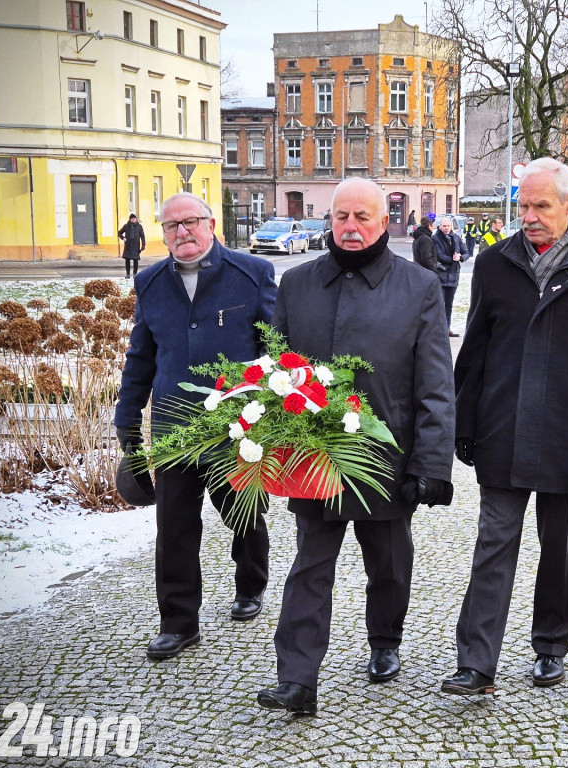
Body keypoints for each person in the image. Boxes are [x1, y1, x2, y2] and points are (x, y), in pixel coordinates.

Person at [258, 178, 455, 715]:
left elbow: (436, 383)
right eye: (341, 216)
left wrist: (431, 463)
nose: (350, 227)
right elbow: (276, 371)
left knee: (389, 564)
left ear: (383, 221)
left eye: (362, 217)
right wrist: (271, 441)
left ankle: (385, 639)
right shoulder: (296, 285)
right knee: (309, 565)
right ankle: (297, 678)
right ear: (330, 220)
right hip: (315, 458)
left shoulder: (417, 287)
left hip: (385, 458)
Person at [441, 157, 568, 696]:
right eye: (522, 205)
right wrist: (465, 418)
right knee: (493, 544)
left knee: (562, 549)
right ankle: (476, 661)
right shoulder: (495, 262)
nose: (527, 215)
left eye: (540, 206)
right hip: (503, 428)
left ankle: (551, 645)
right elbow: (475, 346)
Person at [114, 192, 274, 661]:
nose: (182, 232)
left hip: (235, 426)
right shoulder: (149, 283)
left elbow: (277, 347)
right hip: (172, 427)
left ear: (211, 224)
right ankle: (179, 622)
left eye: (190, 222)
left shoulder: (252, 274)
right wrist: (126, 421)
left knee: (244, 513)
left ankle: (250, 585)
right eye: (171, 226)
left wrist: (271, 411)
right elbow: (140, 357)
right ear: (161, 234)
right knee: (175, 527)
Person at [432, 216, 470, 337]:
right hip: (441, 275)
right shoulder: (435, 239)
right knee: (440, 304)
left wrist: (460, 258)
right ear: (439, 227)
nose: (446, 228)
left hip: (453, 276)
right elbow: (439, 255)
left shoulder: (456, 238)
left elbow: (466, 252)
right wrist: (453, 260)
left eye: (448, 226)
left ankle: (447, 328)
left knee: (449, 304)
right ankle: (439, 330)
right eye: (444, 226)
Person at [117, 213, 145, 278]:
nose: (134, 220)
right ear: (130, 219)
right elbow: (119, 233)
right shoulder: (126, 226)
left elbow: (142, 236)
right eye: (132, 219)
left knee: (136, 260)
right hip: (128, 245)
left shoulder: (139, 226)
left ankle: (135, 274)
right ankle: (128, 274)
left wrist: (143, 245)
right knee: (127, 260)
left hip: (136, 245)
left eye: (135, 219)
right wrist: (123, 238)